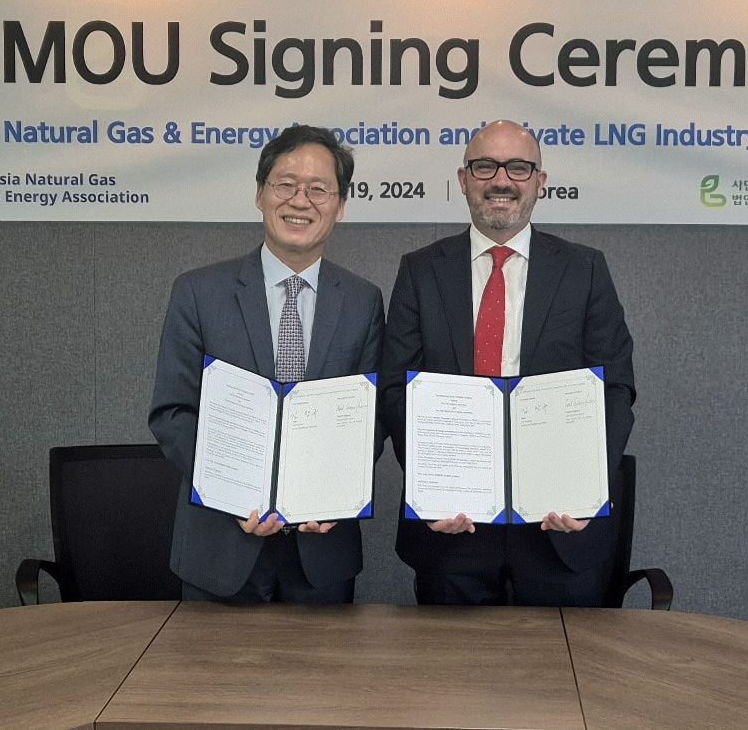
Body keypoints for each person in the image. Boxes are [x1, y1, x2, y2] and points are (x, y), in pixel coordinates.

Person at [381, 119, 635, 606]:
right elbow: (396, 388)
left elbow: (615, 389)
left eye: (518, 167)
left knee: (562, 678)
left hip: (558, 528)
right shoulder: (419, 271)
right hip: (451, 531)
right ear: (463, 180)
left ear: (540, 182)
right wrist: (429, 487)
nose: (501, 180)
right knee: (454, 678)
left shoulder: (584, 270)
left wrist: (587, 488)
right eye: (485, 167)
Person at [150, 125, 384, 604]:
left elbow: (370, 419)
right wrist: (231, 490)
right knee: (213, 681)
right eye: (285, 184)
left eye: (319, 189)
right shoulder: (199, 293)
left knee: (321, 681)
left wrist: (337, 492)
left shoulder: (363, 301)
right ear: (260, 193)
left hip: (321, 553)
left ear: (340, 206)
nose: (301, 201)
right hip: (220, 546)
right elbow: (173, 413)